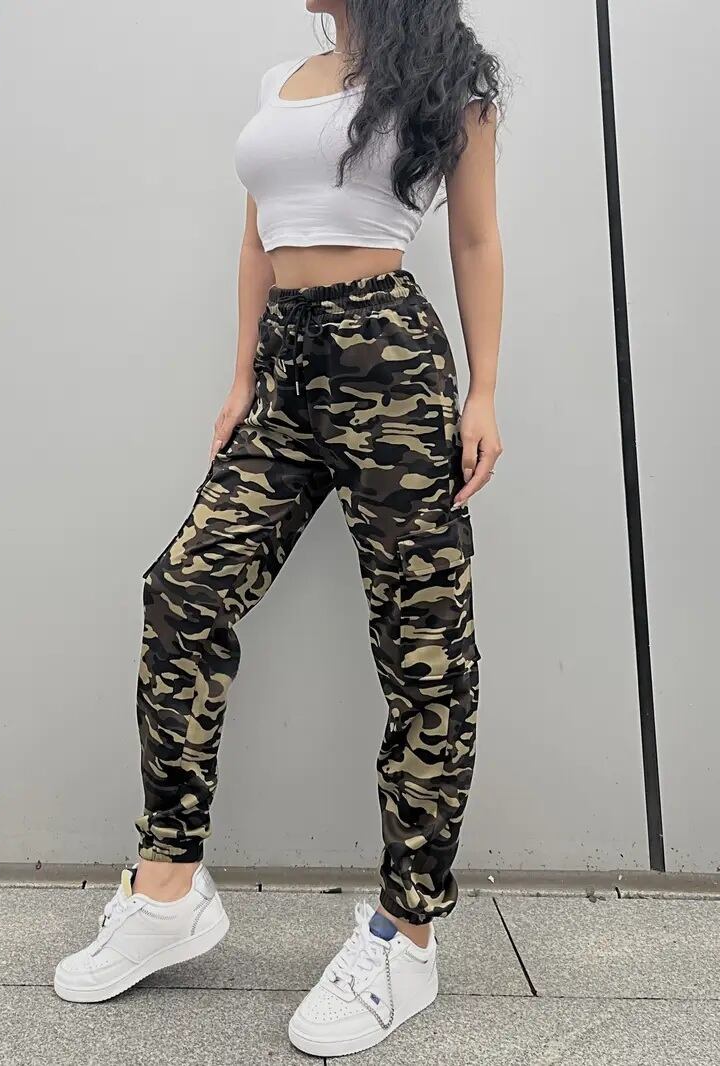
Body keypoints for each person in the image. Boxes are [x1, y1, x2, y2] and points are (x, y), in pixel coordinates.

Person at [54, 0, 504, 1056]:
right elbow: (257, 236)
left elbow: (477, 235)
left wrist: (484, 393)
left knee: (423, 640)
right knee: (183, 594)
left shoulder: (448, 75)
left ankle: (406, 931)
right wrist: (241, 373)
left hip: (390, 360)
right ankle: (168, 887)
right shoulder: (281, 82)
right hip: (286, 373)